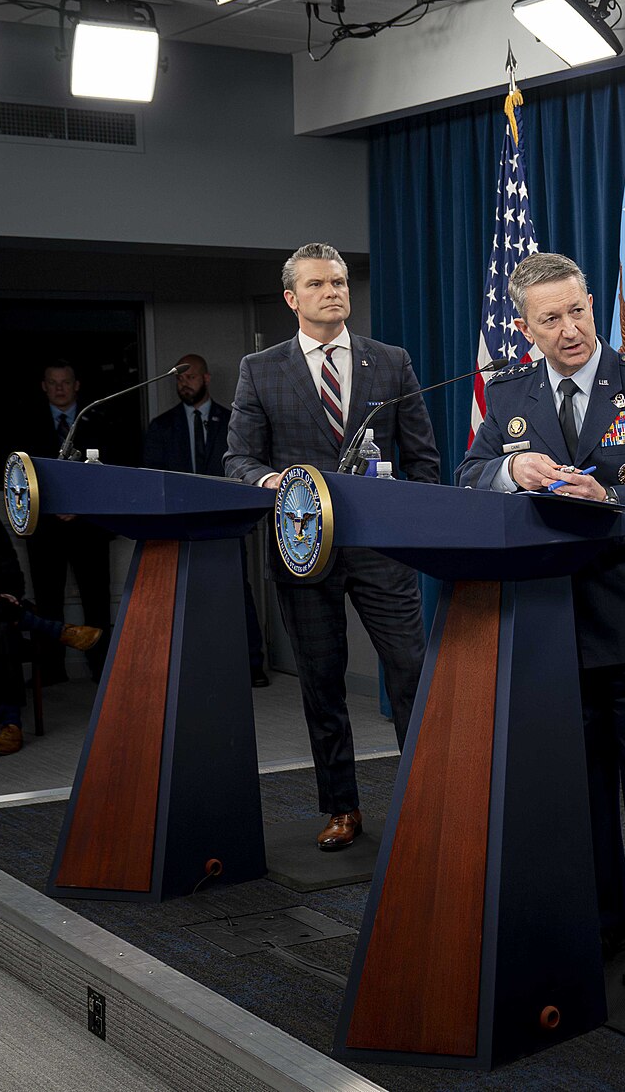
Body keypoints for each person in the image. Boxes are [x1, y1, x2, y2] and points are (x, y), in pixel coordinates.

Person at [457, 252, 625, 987]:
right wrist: (512, 470)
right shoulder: (509, 393)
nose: (570, 330)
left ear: (592, 303)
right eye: (551, 319)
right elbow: (471, 474)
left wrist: (611, 501)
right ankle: (603, 922)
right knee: (584, 789)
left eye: (578, 311)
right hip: (554, 622)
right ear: (523, 327)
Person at [225, 244, 440, 852]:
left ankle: (425, 797)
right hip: (303, 549)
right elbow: (238, 459)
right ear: (292, 298)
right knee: (321, 682)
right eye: (319, 283)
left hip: (381, 550)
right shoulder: (260, 369)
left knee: (412, 672)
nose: (334, 292)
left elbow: (424, 462)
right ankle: (342, 808)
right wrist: (270, 482)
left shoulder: (390, 363)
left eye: (341, 281)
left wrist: (410, 521)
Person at [141, 354, 269, 687]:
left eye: (191, 377)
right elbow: (153, 478)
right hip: (177, 527)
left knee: (236, 592)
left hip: (225, 522)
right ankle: (185, 669)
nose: (185, 383)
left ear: (207, 378)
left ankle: (252, 664)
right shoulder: (161, 426)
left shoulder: (231, 421)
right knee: (180, 594)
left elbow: (246, 466)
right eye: (180, 378)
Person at [24, 360, 112, 686]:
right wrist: (55, 506)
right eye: (53, 382)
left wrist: (81, 506)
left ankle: (102, 669)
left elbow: (112, 474)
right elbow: (21, 475)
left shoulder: (100, 419)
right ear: (44, 386)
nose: (60, 388)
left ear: (77, 385)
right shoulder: (27, 423)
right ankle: (51, 672)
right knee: (48, 603)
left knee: (97, 602)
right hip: (45, 529)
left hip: (89, 527)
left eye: (65, 382)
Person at [0, 516, 102, 756]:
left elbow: (12, 577)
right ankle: (58, 630)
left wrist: (6, 594)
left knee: (3, 627)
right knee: (5, 619)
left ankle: (11, 725)